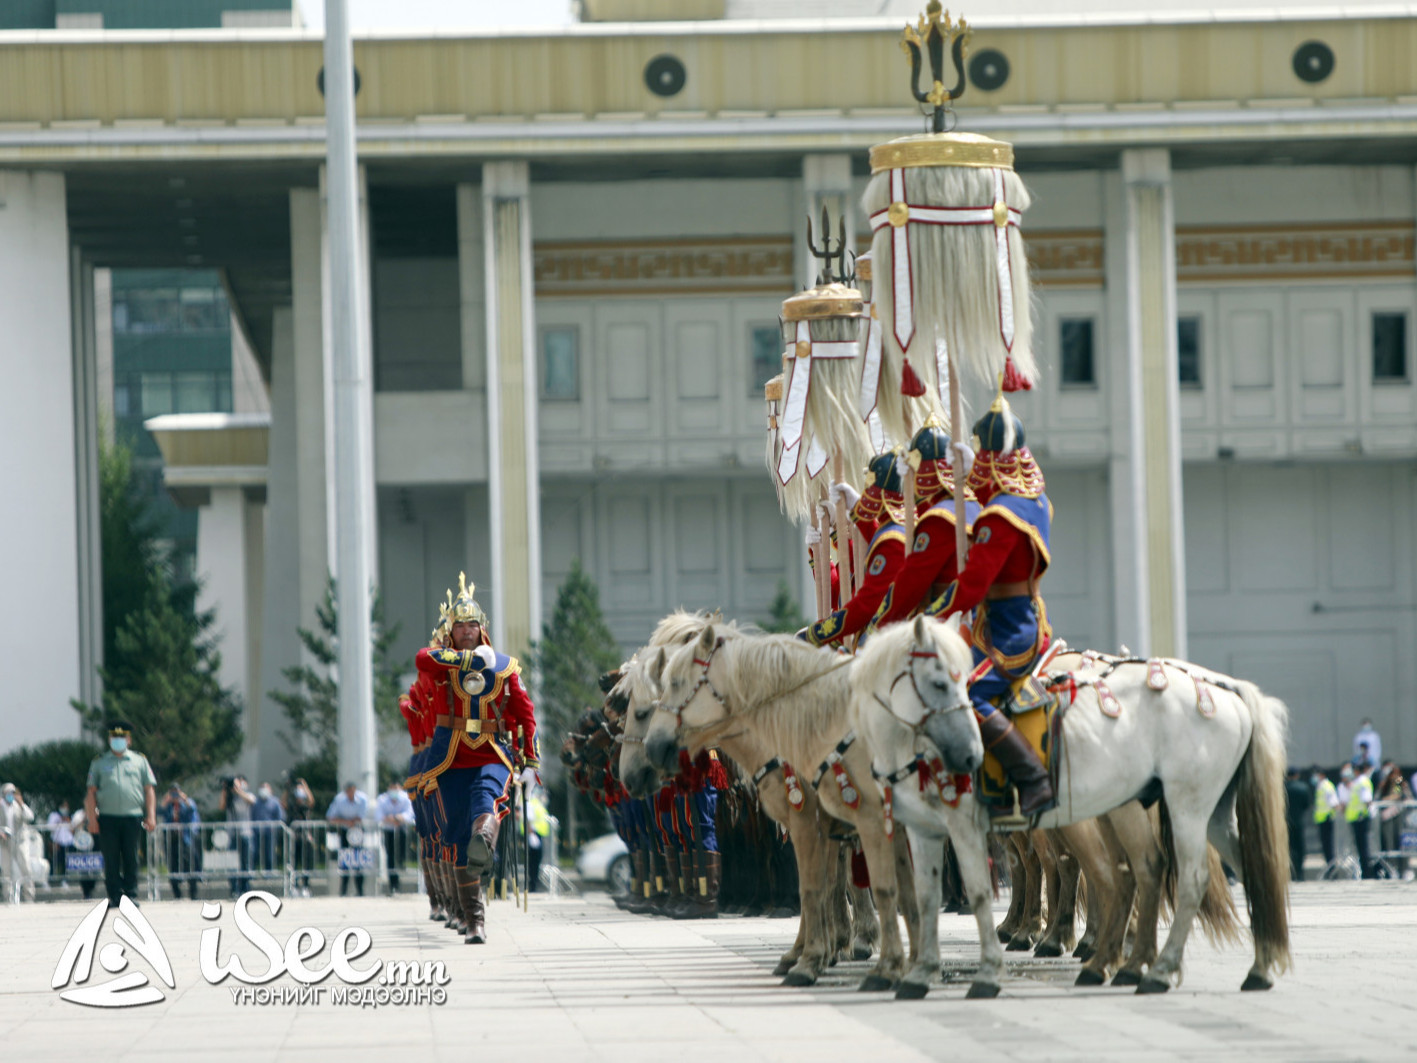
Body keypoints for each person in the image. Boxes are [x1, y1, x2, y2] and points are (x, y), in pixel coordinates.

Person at [922, 389, 1055, 816]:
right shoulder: (1033, 502)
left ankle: (1031, 777)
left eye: (981, 457)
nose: (976, 465)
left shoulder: (999, 516)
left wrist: (928, 615)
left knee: (966, 693)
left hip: (1007, 627)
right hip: (1024, 615)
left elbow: (972, 586)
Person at [417, 572, 539, 944]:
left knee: (485, 802)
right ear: (451, 631)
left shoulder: (503, 666)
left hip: (491, 753)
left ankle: (484, 840)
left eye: (472, 625)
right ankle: (471, 919)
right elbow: (423, 659)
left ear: (482, 627)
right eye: (460, 626)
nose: (467, 630)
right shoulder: (442, 661)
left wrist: (531, 762)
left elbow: (526, 713)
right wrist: (465, 658)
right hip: (450, 759)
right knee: (454, 838)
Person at [867, 425, 979, 631]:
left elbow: (911, 583)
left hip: (949, 624)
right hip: (976, 616)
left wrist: (879, 624)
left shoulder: (939, 519)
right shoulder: (972, 505)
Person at [802, 450, 917, 646]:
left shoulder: (895, 535)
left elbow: (863, 604)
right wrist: (821, 553)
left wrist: (817, 633)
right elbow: (837, 592)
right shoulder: (887, 533)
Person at [84, 722, 157, 909]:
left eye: (121, 738)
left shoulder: (139, 761)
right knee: (111, 857)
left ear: (129, 740)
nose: (117, 741)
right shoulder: (99, 762)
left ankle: (131, 894)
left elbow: (149, 789)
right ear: (109, 740)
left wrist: (151, 816)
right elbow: (91, 793)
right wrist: (92, 819)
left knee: (131, 857)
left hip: (132, 816)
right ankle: (115, 895)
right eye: (114, 738)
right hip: (108, 817)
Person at [327, 782, 370, 897]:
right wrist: (346, 822)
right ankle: (344, 889)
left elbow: (361, 816)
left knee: (358, 859)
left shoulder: (362, 798)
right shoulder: (339, 800)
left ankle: (360, 890)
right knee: (344, 859)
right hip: (344, 830)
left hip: (358, 830)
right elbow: (330, 816)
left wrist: (350, 821)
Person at [159, 785, 202, 899]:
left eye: (176, 792)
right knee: (173, 866)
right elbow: (158, 812)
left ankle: (193, 893)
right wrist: (165, 801)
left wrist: (184, 799)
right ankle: (177, 895)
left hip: (185, 838)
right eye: (172, 792)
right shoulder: (169, 805)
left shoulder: (186, 802)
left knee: (190, 866)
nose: (174, 795)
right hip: (171, 839)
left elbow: (192, 809)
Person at [218, 774, 255, 897]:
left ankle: (246, 888)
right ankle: (234, 888)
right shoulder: (229, 798)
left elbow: (252, 801)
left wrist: (238, 791)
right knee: (232, 862)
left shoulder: (247, 795)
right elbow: (221, 807)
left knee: (246, 862)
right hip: (232, 834)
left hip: (245, 833)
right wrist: (225, 791)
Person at [375, 780, 415, 894]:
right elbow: (378, 816)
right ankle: (393, 884)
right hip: (388, 831)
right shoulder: (382, 799)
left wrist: (398, 818)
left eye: (396, 789)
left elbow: (410, 814)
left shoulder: (406, 798)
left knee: (401, 853)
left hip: (402, 830)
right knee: (390, 856)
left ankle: (402, 864)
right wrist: (392, 819)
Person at [1, 783, 36, 902]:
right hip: (5, 843)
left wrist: (22, 804)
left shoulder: (19, 806)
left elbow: (30, 817)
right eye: (8, 793)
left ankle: (29, 896)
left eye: (13, 793)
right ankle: (8, 897)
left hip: (20, 841)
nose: (11, 795)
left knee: (25, 867)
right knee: (6, 870)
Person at [1340, 762, 1375, 879]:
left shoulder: (1362, 782)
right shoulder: (1357, 782)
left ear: (1356, 770)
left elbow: (1367, 800)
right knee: (1361, 847)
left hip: (1360, 818)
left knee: (1363, 847)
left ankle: (1367, 873)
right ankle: (1365, 871)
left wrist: (1363, 813)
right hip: (1356, 818)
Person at [286, 777, 316, 896]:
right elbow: (283, 802)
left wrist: (305, 786)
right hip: (294, 838)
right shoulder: (292, 805)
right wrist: (288, 789)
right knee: (294, 863)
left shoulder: (305, 806)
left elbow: (311, 801)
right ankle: (295, 886)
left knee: (306, 863)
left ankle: (306, 886)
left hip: (305, 838)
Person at [250, 782, 285, 880]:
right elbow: (251, 815)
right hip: (256, 832)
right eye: (262, 788)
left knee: (269, 854)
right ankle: (252, 874)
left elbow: (280, 817)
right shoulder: (255, 802)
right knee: (254, 853)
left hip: (270, 832)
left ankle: (269, 874)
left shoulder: (275, 802)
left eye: (266, 788)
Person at [1283, 769, 1310, 882]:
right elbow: (1307, 805)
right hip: (1299, 821)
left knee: (1289, 848)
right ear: (1297, 775)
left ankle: (1291, 873)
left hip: (1286, 821)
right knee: (1300, 848)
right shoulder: (1303, 787)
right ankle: (1300, 873)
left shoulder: (1283, 788)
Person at [1312, 766, 1340, 868]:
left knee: (1329, 845)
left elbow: (1333, 802)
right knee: (1325, 845)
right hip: (1322, 819)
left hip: (1327, 819)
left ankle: (1331, 867)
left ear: (1322, 775)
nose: (1314, 777)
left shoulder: (1327, 786)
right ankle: (1329, 865)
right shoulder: (1320, 786)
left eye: (1316, 774)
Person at [47, 798, 75, 885]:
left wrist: (68, 821)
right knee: (54, 862)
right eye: (63, 806)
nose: (65, 808)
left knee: (66, 862)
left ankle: (64, 880)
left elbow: (73, 830)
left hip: (68, 843)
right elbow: (49, 828)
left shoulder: (71, 816)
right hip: (57, 842)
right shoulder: (54, 815)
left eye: (66, 806)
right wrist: (59, 821)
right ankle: (49, 879)